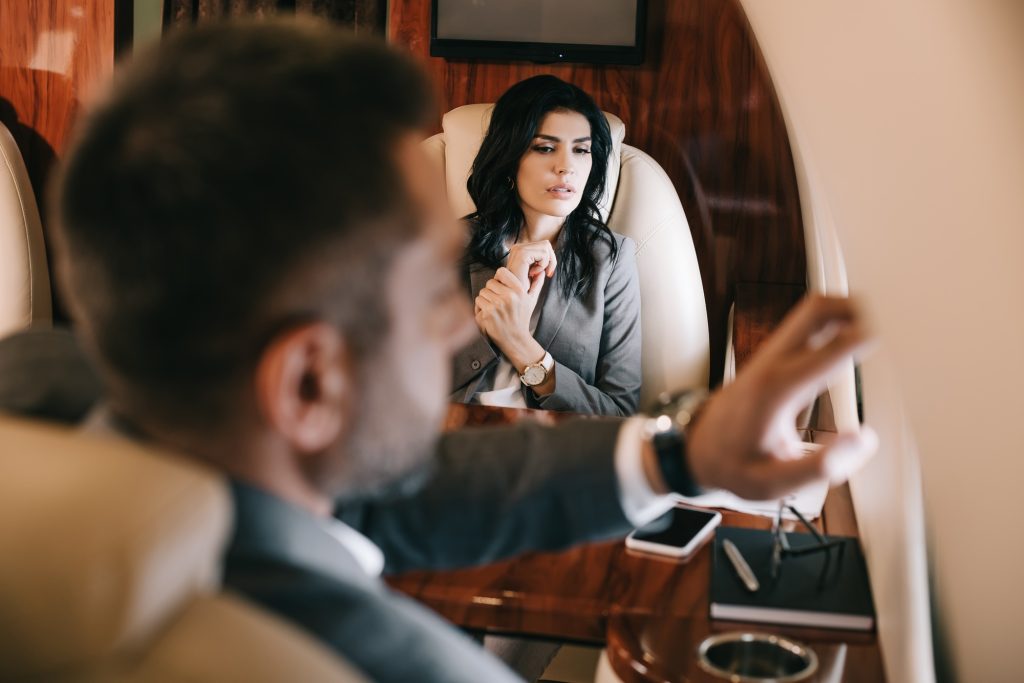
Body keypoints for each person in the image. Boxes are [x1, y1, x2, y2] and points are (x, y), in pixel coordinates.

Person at [48, 19, 877, 683]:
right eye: (421, 299)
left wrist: (681, 453)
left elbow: (408, 493)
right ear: (306, 383)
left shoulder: (43, 382)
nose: (456, 323)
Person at [451, 75, 641, 416]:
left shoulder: (610, 260)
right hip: (456, 444)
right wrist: (488, 333)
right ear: (510, 157)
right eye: (545, 148)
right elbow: (401, 385)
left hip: (557, 453)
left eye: (581, 150)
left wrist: (521, 346)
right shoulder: (448, 247)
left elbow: (620, 414)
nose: (566, 167)